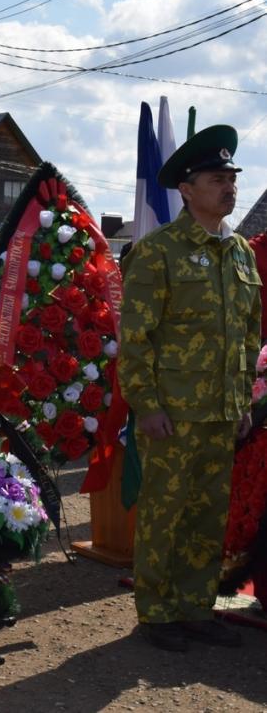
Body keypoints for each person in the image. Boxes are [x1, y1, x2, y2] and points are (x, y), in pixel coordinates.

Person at [119, 125, 260, 652]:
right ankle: (157, 614)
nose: (229, 187)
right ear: (187, 188)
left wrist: (242, 398)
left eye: (231, 178)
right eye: (217, 178)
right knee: (165, 512)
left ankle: (195, 607)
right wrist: (147, 406)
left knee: (207, 515)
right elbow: (135, 337)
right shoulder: (159, 253)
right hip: (172, 413)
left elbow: (249, 333)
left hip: (222, 412)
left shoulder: (240, 252)